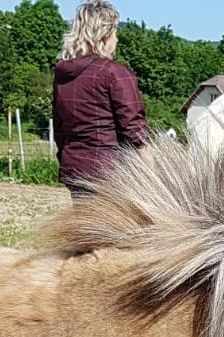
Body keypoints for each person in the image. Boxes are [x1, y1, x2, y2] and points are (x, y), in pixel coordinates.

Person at [51, 0, 146, 199]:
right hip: (111, 174)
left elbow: (60, 129)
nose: (117, 40)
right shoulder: (115, 73)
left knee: (84, 228)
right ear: (103, 35)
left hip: (75, 170)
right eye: (115, 33)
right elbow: (136, 133)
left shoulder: (62, 75)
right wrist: (153, 175)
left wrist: (67, 158)